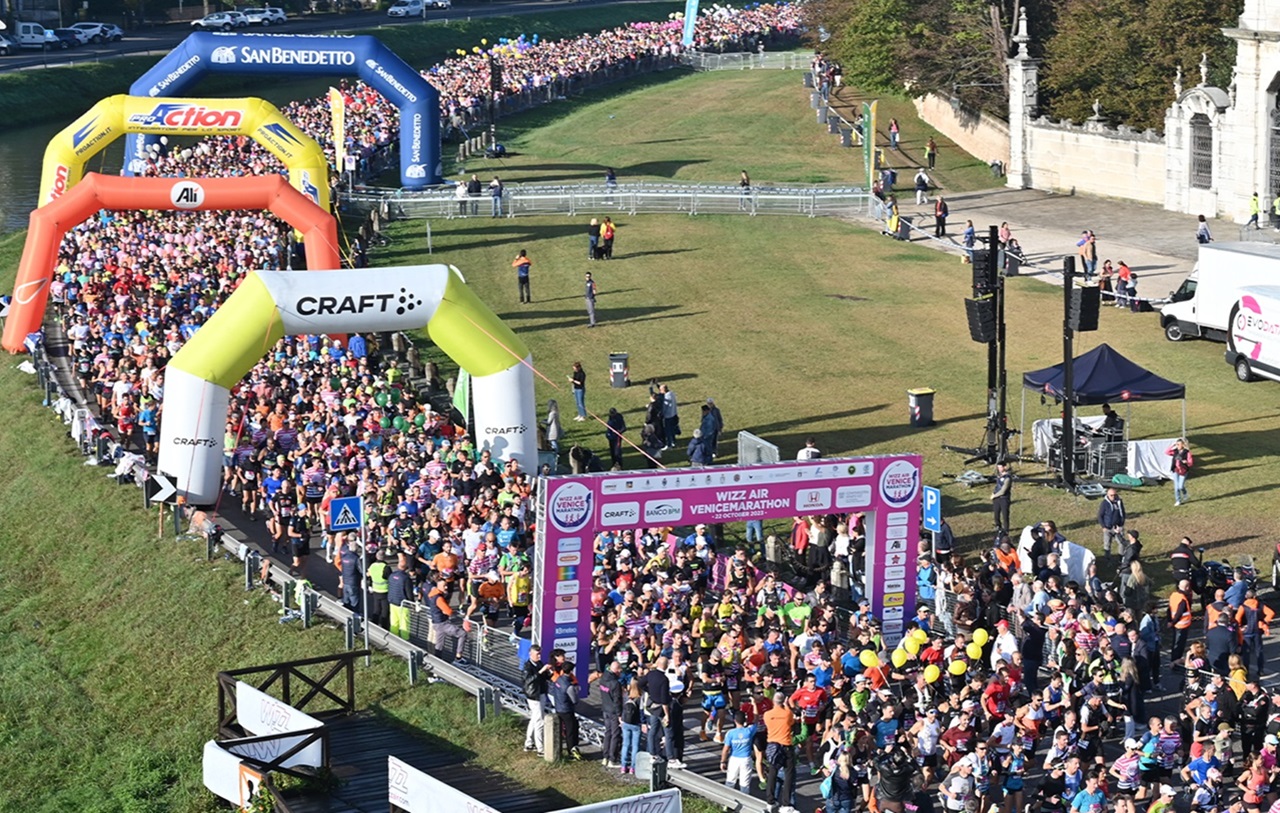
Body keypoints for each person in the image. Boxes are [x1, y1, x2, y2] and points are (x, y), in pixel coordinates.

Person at [522, 645, 553, 753]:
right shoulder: (527, 666)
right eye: (537, 654)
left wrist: (549, 673)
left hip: (541, 693)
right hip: (534, 695)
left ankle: (529, 743)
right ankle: (540, 748)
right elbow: (528, 680)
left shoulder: (539, 663)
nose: (539, 656)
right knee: (539, 721)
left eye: (540, 654)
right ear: (530, 654)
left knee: (534, 719)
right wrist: (540, 672)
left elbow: (544, 677)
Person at [595, 657, 624, 767]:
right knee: (615, 734)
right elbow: (617, 700)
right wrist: (619, 714)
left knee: (608, 733)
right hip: (613, 711)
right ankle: (612, 759)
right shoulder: (615, 683)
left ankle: (605, 756)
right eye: (620, 670)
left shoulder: (603, 678)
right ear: (617, 670)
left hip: (605, 708)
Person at [722, 711, 756, 795]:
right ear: (745, 720)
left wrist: (723, 761)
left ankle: (727, 800)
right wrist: (754, 705)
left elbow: (726, 749)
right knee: (745, 784)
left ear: (734, 720)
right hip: (746, 759)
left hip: (734, 759)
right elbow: (756, 719)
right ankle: (744, 801)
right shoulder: (749, 731)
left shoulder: (730, 733)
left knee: (730, 781)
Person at [620, 680, 643, 775]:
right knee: (635, 746)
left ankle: (623, 766)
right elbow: (641, 712)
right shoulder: (640, 698)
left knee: (625, 745)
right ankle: (633, 767)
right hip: (636, 724)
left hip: (625, 722)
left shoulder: (626, 696)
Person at [1097, 487, 1126, 560]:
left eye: (1114, 495)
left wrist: (1121, 524)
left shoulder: (1119, 502)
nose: (1113, 497)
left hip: (1118, 527)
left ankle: (1121, 558)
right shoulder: (1104, 503)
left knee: (1121, 543)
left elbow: (1122, 513)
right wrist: (1103, 527)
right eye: (1111, 495)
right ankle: (1107, 560)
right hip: (1108, 527)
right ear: (1107, 495)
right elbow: (1100, 515)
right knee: (1107, 545)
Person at [1166, 438, 1193, 505]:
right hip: (1175, 470)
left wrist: (1186, 462)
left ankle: (1185, 493)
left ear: (1182, 445)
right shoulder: (1175, 451)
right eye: (1176, 444)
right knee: (1176, 487)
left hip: (1183, 470)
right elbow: (1167, 452)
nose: (1177, 446)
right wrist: (1172, 445)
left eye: (1178, 444)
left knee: (1180, 486)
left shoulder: (1187, 452)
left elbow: (1191, 463)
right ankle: (1178, 500)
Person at [991, 462, 1012, 533]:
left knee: (1005, 515)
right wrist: (993, 492)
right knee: (996, 514)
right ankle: (998, 526)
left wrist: (994, 496)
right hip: (997, 498)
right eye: (998, 467)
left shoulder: (1007, 478)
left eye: (1000, 467)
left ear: (1005, 467)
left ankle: (1006, 530)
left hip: (1004, 498)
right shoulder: (999, 476)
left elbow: (1003, 491)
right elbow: (997, 486)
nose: (999, 469)